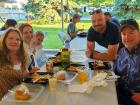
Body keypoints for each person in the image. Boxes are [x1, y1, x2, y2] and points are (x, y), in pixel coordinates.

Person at [114, 19, 140, 105]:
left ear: (139, 34)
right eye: (123, 34)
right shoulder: (122, 51)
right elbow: (116, 73)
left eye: (131, 33)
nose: (127, 37)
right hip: (120, 94)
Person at [0, 28, 29, 100]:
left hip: (20, 96)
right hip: (3, 98)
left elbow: (24, 77)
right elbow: (4, 73)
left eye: (17, 39)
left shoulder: (23, 56)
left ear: (21, 42)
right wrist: (24, 74)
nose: (14, 41)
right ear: (4, 40)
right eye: (10, 38)